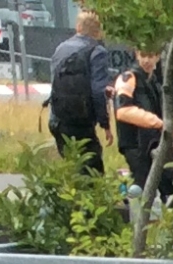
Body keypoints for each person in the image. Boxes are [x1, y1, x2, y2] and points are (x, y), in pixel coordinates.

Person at [111, 49, 173, 199]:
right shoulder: (128, 77)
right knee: (141, 187)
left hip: (153, 141)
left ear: (158, 56)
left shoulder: (154, 82)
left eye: (150, 55)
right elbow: (122, 111)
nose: (147, 61)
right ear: (136, 55)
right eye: (143, 56)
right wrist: (158, 123)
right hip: (134, 143)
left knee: (172, 183)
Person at [47, 9, 106, 173]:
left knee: (72, 169)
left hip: (57, 119)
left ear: (78, 27)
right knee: (92, 172)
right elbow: (98, 91)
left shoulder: (60, 49)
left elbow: (54, 84)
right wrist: (105, 123)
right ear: (98, 30)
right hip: (81, 122)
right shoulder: (97, 52)